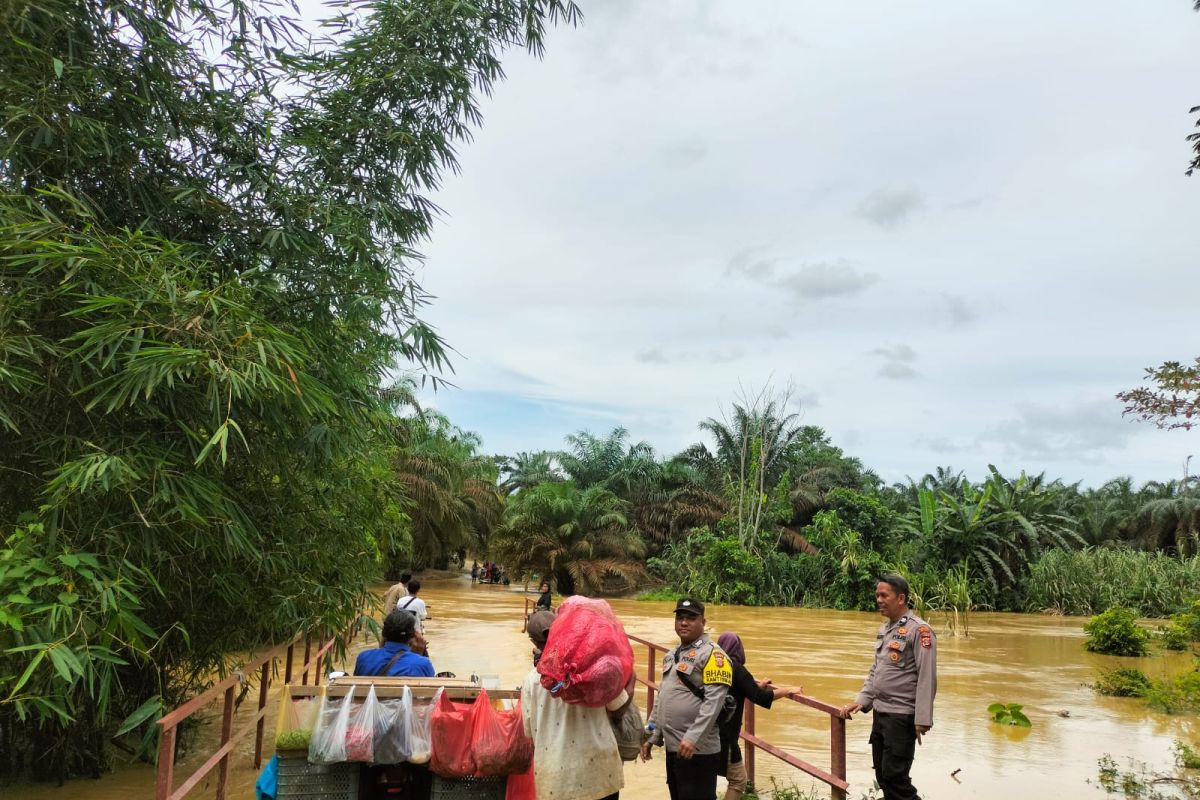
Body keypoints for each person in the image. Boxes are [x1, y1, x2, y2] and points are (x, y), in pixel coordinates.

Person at [842, 574, 937, 800]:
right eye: (877, 595)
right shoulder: (886, 630)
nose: (879, 600)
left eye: (884, 595)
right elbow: (877, 670)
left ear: (901, 598)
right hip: (880, 713)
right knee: (884, 776)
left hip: (901, 716)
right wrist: (861, 700)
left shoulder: (920, 631)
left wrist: (922, 718)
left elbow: (927, 676)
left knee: (896, 778)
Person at [521, 609, 626, 800]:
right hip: (599, 773)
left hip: (557, 779)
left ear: (534, 642)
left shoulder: (531, 681)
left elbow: (529, 731)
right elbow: (619, 707)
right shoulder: (594, 665)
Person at [641, 598, 731, 800]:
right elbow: (662, 698)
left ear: (703, 622)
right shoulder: (671, 655)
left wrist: (693, 738)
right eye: (680, 618)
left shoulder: (713, 656)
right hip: (675, 749)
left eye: (691, 618)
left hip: (698, 751)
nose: (684, 622)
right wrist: (651, 735)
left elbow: (714, 703)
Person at [714, 633, 802, 800]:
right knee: (739, 781)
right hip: (725, 736)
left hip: (706, 732)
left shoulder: (713, 666)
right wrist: (787, 690)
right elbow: (759, 697)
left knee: (707, 776)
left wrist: (756, 686)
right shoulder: (736, 668)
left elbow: (735, 691)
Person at [354, 608, 435, 677]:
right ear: (412, 635)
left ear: (384, 633)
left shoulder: (364, 658)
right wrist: (421, 653)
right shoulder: (422, 664)